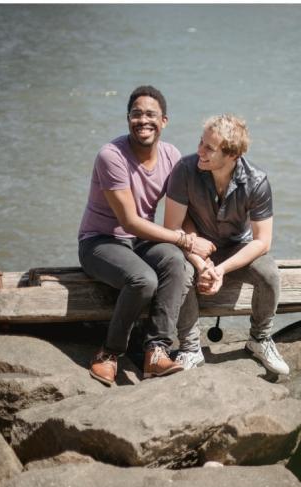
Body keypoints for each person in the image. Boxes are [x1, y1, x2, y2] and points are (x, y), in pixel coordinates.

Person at [77, 85, 204, 386]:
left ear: (164, 121)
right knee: (143, 279)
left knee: (176, 262)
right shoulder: (111, 156)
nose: (142, 120)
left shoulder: (171, 156)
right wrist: (184, 240)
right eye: (136, 114)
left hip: (139, 243)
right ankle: (109, 352)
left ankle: (156, 351)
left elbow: (183, 213)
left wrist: (199, 257)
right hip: (100, 242)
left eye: (150, 115)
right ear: (127, 119)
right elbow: (129, 221)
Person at [164, 114, 289, 375]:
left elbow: (262, 242)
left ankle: (260, 339)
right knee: (181, 270)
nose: (199, 150)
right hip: (193, 244)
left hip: (236, 248)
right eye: (201, 142)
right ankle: (190, 347)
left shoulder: (257, 181)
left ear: (232, 155)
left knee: (269, 274)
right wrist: (200, 262)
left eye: (209, 148)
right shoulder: (185, 170)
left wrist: (220, 270)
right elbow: (172, 227)